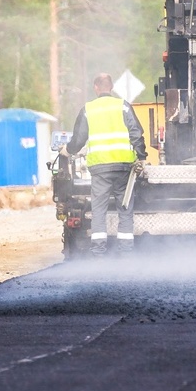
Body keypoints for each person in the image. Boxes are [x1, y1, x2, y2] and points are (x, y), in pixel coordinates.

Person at [63, 74, 147, 255]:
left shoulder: (88, 109)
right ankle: (125, 253)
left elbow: (78, 139)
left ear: (95, 87)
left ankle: (98, 253)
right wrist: (141, 157)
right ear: (111, 87)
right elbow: (136, 133)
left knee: (99, 211)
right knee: (124, 209)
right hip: (123, 167)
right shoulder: (123, 106)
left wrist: (67, 151)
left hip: (100, 169)